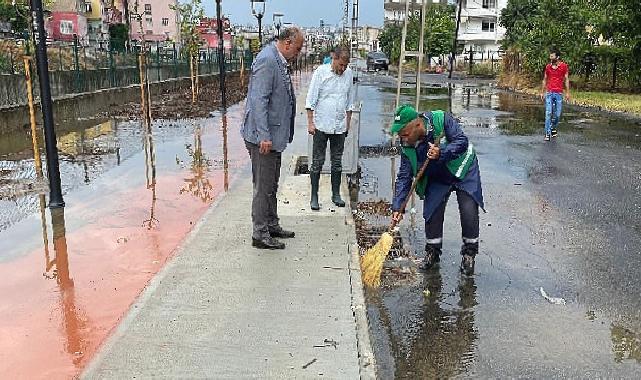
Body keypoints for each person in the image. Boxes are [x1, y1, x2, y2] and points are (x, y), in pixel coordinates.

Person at [390, 105, 484, 275]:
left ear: (417, 125)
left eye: (404, 133)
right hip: (438, 173)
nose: (402, 138)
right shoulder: (407, 146)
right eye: (399, 135)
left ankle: (469, 254)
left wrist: (442, 153)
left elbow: (461, 141)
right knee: (432, 209)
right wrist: (398, 206)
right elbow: (404, 176)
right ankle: (432, 252)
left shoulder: (441, 119)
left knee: (468, 209)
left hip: (463, 167)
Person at [241, 27, 304, 250]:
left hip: (274, 136)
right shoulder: (267, 60)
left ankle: (271, 223)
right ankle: (260, 233)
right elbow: (258, 100)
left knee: (271, 184)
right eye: (297, 49)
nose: (298, 53)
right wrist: (264, 136)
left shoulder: (278, 60)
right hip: (263, 138)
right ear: (287, 43)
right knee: (263, 186)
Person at [305, 46, 356, 210]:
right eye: (340, 64)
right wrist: (310, 122)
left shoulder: (348, 74)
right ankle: (314, 196)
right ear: (334, 59)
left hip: (339, 125)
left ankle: (336, 194)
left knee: (337, 162)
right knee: (317, 161)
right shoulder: (321, 72)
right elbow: (311, 99)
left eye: (345, 66)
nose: (343, 69)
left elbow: (350, 102)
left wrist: (347, 123)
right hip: (321, 124)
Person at [540, 47, 571, 141]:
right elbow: (545, 79)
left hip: (559, 93)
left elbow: (566, 79)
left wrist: (568, 93)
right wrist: (542, 92)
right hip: (549, 93)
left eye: (552, 56)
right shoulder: (548, 67)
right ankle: (547, 133)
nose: (550, 58)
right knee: (548, 113)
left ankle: (553, 128)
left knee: (557, 115)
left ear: (557, 57)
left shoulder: (564, 66)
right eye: (550, 57)